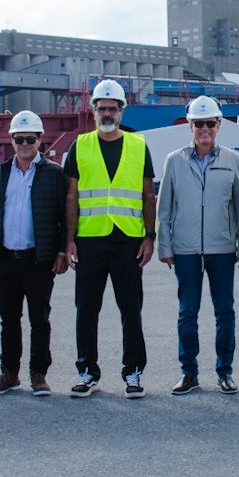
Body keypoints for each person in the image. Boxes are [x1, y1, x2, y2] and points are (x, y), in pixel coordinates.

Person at [64, 79, 157, 398]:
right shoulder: (79, 146)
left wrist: (149, 236)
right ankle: (87, 371)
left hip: (128, 240)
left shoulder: (138, 146)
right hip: (90, 240)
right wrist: (69, 239)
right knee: (86, 310)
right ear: (93, 111)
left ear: (121, 112)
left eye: (112, 109)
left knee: (131, 309)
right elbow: (71, 196)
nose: (107, 113)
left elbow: (148, 194)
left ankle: (133, 372)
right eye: (101, 108)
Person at [157, 96, 239, 395]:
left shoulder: (232, 160)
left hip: (222, 249)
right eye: (199, 123)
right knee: (187, 313)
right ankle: (189, 372)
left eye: (210, 123)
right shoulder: (175, 161)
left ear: (219, 125)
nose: (204, 128)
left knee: (225, 312)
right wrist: (165, 247)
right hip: (186, 250)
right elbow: (164, 208)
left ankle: (225, 372)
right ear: (190, 126)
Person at [0, 111, 68, 397]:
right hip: (5, 258)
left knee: (39, 320)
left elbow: (64, 216)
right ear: (12, 140)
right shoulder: (0, 173)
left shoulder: (54, 174)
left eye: (30, 139)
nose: (25, 144)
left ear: (40, 140)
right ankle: (9, 373)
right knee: (9, 321)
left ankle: (38, 375)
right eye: (20, 139)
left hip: (38, 260)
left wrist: (62, 251)